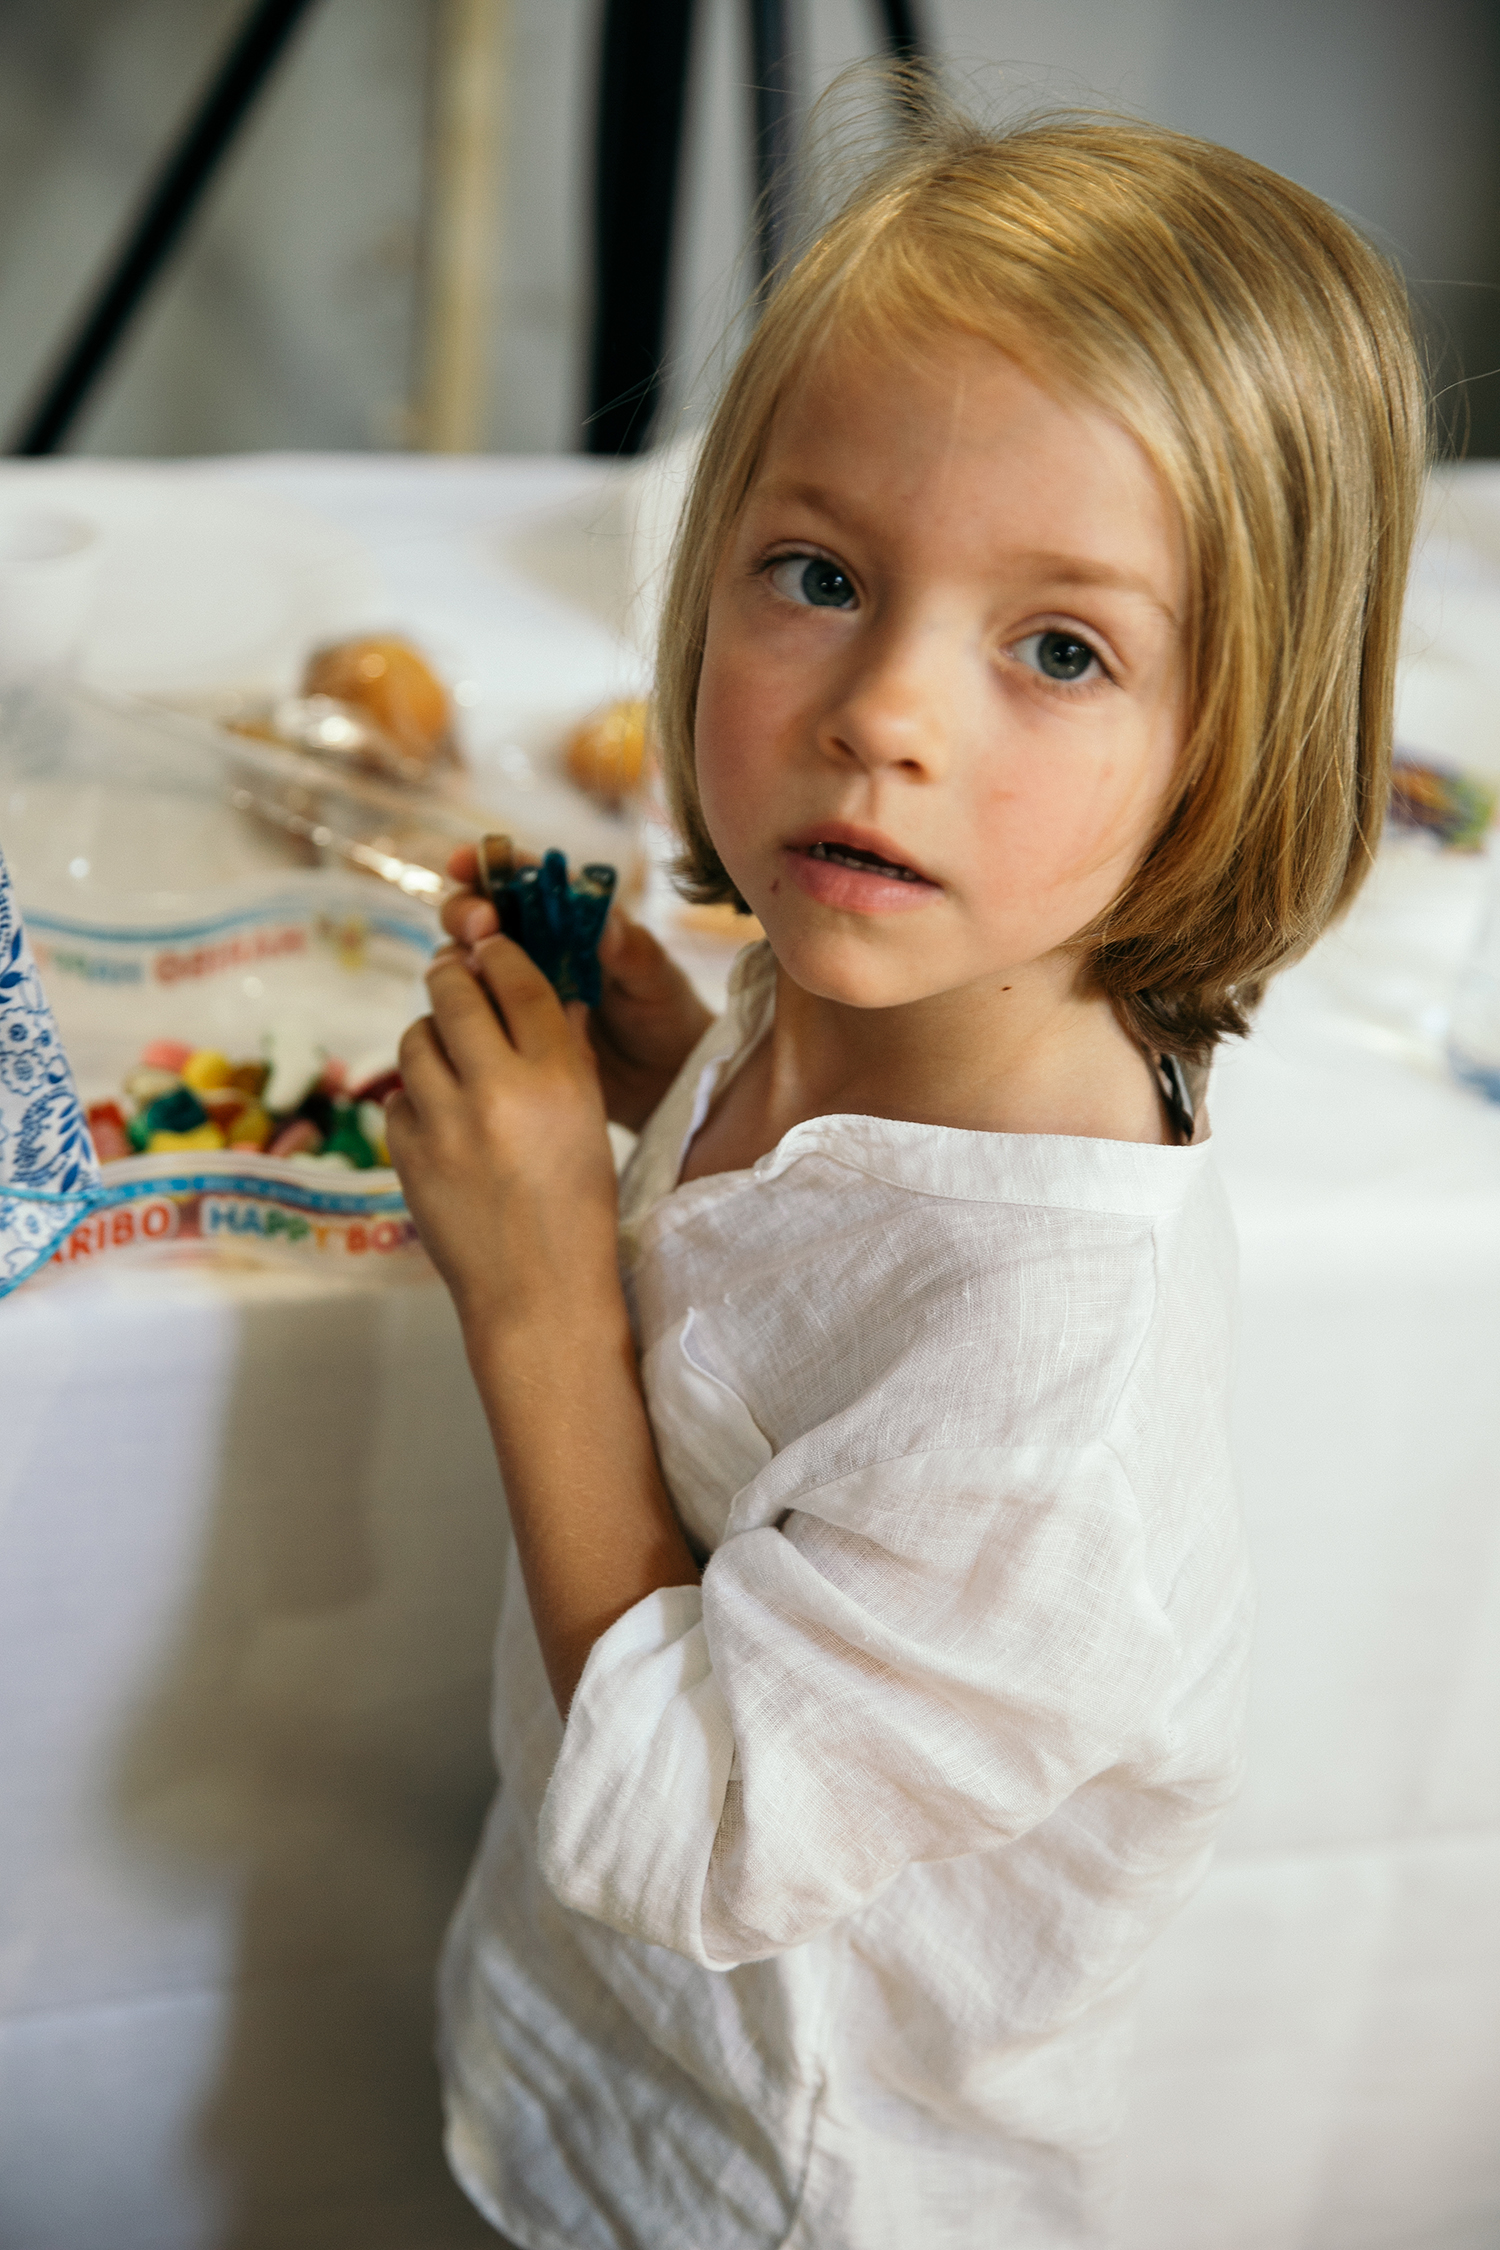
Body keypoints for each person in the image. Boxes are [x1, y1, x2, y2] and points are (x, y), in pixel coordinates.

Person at [385, 90, 1426, 2250]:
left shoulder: (1049, 1376)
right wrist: (664, 1054)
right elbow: (790, 1266)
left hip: (779, 2177)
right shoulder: (883, 973)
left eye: (1060, 649)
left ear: (1234, 745)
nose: (883, 715)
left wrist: (544, 1290)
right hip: (613, 2057)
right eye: (824, 576)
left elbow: (694, 1829)